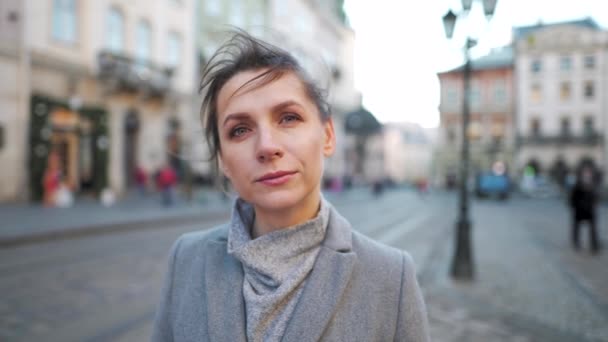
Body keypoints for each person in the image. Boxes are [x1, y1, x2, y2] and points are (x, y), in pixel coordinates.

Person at [151, 31, 430, 342]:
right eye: (240, 130)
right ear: (223, 161)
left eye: (288, 118)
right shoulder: (187, 259)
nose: (267, 146)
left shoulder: (392, 276)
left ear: (327, 136)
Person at [569, 167, 602, 254]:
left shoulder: (592, 185)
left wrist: (594, 203)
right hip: (579, 210)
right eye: (586, 174)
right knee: (576, 227)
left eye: (589, 174)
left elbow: (595, 197)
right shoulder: (578, 184)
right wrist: (574, 206)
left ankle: (594, 245)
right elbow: (573, 197)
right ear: (582, 175)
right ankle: (576, 242)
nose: (587, 175)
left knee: (593, 228)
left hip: (589, 210)